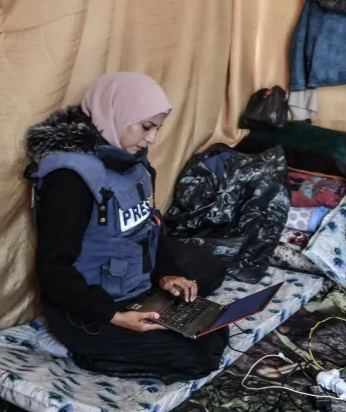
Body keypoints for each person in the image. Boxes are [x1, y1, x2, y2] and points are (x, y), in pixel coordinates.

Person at [25, 72, 228, 382]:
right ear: (114, 114)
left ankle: (156, 307)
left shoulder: (132, 163)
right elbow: (54, 269)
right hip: (89, 306)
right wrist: (115, 317)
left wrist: (168, 275)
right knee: (199, 355)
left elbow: (147, 231)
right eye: (146, 127)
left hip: (133, 282)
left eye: (157, 129)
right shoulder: (70, 179)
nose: (152, 140)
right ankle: (86, 354)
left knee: (211, 291)